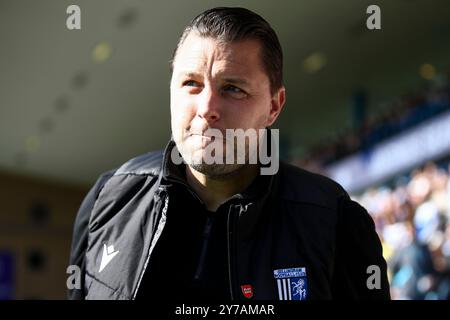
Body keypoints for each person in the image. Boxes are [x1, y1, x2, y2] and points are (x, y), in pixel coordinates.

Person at [68, 7, 390, 300]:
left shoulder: (333, 221)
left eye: (233, 89)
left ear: (273, 106)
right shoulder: (108, 199)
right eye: (191, 84)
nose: (207, 108)